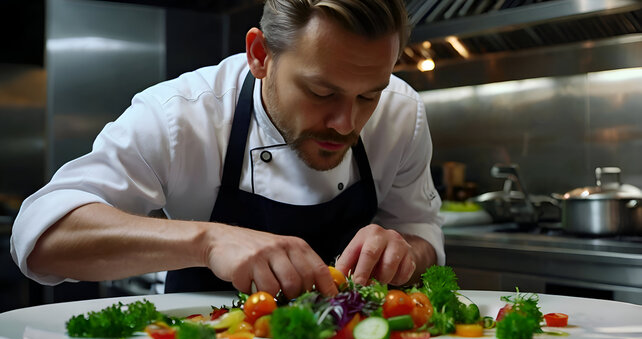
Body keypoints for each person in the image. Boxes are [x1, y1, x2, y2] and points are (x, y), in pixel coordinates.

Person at [10, 0, 444, 299]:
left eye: (368, 96)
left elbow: (423, 233)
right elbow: (41, 235)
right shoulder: (181, 116)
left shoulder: (402, 114)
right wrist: (206, 240)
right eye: (320, 91)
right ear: (260, 55)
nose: (345, 123)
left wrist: (404, 251)